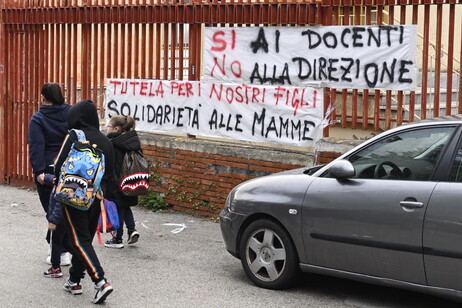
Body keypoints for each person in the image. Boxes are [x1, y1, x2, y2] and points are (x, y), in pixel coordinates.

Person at [53, 100, 115, 304]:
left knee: (78, 241)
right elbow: (111, 174)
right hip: (95, 198)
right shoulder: (106, 141)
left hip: (73, 195)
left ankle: (100, 281)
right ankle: (74, 281)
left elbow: (58, 165)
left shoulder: (75, 135)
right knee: (84, 239)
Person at [28, 82, 71, 268]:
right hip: (70, 167)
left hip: (48, 169)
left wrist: (38, 171)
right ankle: (60, 248)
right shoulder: (71, 113)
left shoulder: (38, 119)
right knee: (67, 209)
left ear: (43, 97)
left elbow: (36, 146)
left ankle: (60, 251)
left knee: (52, 210)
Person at [104, 115, 141, 249]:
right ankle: (132, 230)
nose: (105, 128)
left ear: (116, 128)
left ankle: (117, 239)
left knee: (118, 208)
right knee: (125, 206)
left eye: (108, 126)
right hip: (131, 180)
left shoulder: (112, 143)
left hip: (116, 181)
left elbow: (110, 164)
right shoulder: (132, 141)